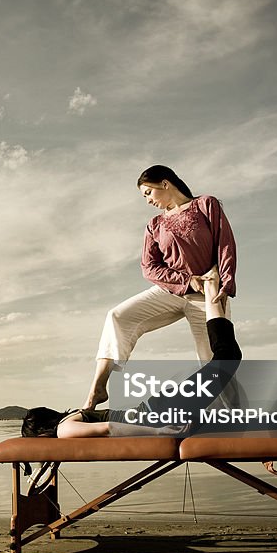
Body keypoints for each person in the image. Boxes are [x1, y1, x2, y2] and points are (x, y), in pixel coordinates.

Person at [83, 165, 237, 410]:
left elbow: (225, 244)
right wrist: (187, 281)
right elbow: (149, 267)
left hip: (207, 294)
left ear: (165, 184)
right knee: (118, 317)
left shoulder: (206, 205)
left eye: (147, 193)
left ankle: (235, 415)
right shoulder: (154, 224)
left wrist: (225, 283)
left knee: (213, 361)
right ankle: (97, 389)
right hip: (171, 291)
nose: (147, 200)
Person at [22, 268, 242, 438]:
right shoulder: (72, 418)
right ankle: (212, 291)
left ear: (41, 433)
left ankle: (211, 288)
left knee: (226, 359)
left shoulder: (64, 429)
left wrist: (161, 432)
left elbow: (108, 428)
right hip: (155, 410)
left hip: (156, 415)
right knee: (226, 359)